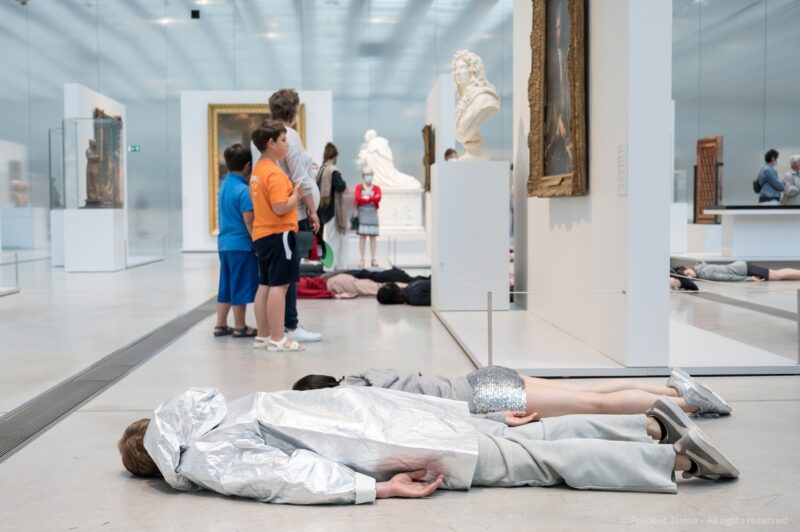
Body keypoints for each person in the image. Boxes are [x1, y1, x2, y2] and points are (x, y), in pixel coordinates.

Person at [118, 387, 737, 505]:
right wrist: (469, 406)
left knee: (537, 461)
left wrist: (375, 489)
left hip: (397, 445)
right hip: (430, 408)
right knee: (539, 429)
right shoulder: (236, 405)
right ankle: (649, 425)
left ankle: (676, 458)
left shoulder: (207, 454)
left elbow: (291, 476)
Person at [293, 366, 731, 421]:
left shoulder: (363, 401)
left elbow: (429, 413)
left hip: (484, 397)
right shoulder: (363, 375)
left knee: (592, 405)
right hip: (481, 378)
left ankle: (689, 404)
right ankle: (673, 387)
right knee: (588, 391)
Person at [268, 88, 322, 344]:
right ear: (294, 111)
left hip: (275, 210)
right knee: (289, 272)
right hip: (293, 211)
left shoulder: (264, 136)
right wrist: (312, 211)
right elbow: (300, 178)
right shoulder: (289, 135)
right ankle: (290, 323)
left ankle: (275, 324)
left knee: (277, 271)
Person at [249, 120, 304, 352]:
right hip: (279, 234)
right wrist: (297, 195)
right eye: (283, 140)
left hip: (262, 235)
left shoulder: (258, 171)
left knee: (265, 284)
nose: (287, 145)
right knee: (279, 287)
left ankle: (263, 336)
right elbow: (280, 207)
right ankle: (278, 338)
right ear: (271, 143)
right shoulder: (273, 173)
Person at [213, 143, 258, 338]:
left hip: (224, 244)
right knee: (240, 284)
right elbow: (250, 222)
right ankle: (240, 327)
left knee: (226, 284)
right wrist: (258, 244)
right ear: (248, 165)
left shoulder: (224, 186)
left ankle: (220, 324)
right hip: (241, 246)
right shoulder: (244, 190)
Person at [316, 142, 348, 269]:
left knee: (332, 240)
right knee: (335, 241)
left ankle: (336, 266)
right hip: (334, 211)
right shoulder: (332, 170)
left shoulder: (321, 169)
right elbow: (341, 186)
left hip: (323, 210)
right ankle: (331, 268)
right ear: (335, 156)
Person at [355, 168, 382, 268]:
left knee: (373, 237)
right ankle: (362, 259)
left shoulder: (377, 188)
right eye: (367, 174)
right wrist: (371, 199)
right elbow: (358, 198)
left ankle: (373, 259)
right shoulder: (359, 187)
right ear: (363, 176)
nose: (369, 176)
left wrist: (367, 198)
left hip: (373, 214)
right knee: (362, 237)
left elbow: (378, 198)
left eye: (370, 174)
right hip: (362, 214)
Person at [675, 261, 800, 282]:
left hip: (742, 270)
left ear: (687, 268)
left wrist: (749, 279)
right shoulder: (699, 266)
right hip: (740, 266)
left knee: (777, 275)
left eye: (687, 274)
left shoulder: (704, 273)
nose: (690, 277)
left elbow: (727, 277)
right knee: (776, 273)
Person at [297, 273, 387, 299]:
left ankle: (395, 289)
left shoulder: (292, 286)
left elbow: (310, 293)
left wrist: (335, 295)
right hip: (335, 281)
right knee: (372, 285)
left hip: (335, 285)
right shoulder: (293, 282)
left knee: (375, 288)